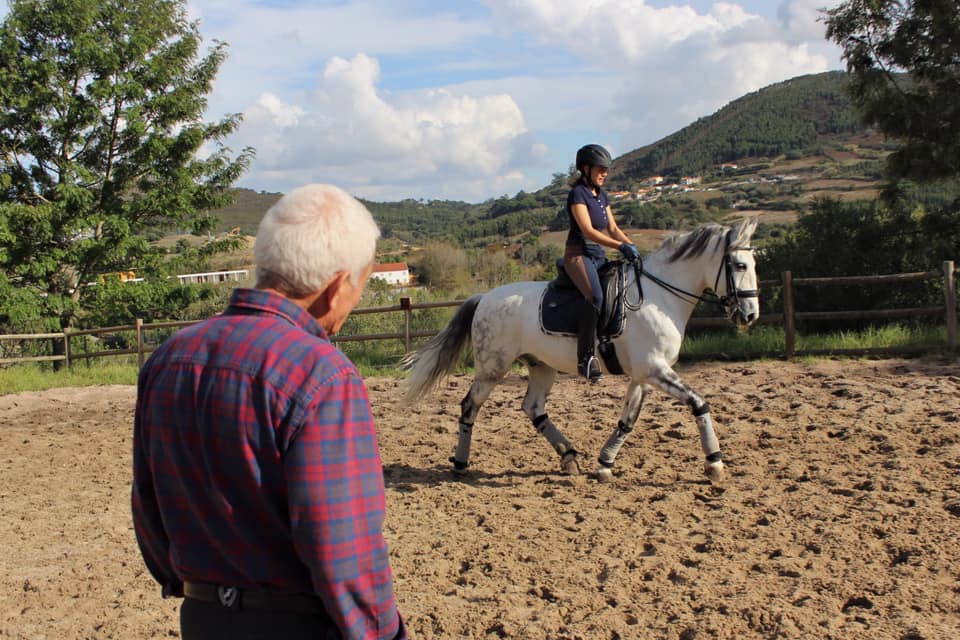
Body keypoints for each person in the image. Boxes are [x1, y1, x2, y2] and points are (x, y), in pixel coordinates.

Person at [131, 184, 407, 640]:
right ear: (337, 286)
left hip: (202, 619)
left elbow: (148, 503)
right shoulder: (323, 375)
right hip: (297, 624)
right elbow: (342, 545)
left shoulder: (168, 358)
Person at [564, 144, 640, 381]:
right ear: (585, 169)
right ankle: (585, 358)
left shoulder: (602, 195)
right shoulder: (578, 194)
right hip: (578, 255)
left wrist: (632, 247)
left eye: (606, 170)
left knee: (616, 291)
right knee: (595, 296)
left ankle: (607, 341)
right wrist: (619, 247)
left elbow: (613, 228)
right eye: (600, 169)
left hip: (598, 257)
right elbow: (587, 230)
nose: (604, 173)